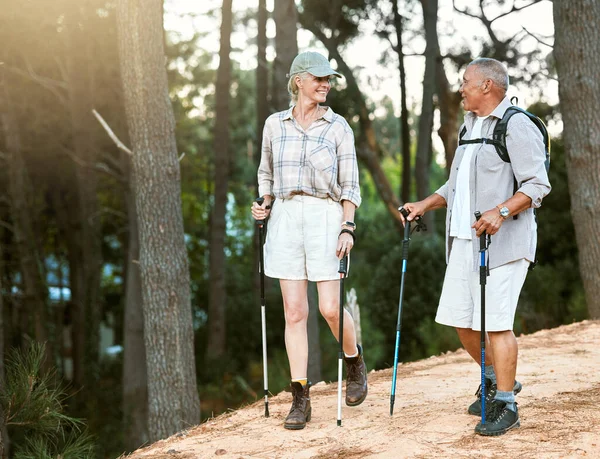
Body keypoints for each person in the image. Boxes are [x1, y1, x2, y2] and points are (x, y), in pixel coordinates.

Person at [401, 58, 551, 436]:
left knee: (497, 324)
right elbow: (456, 187)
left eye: (466, 82)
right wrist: (424, 204)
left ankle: (506, 404)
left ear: (487, 86)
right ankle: (493, 376)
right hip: (465, 244)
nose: (461, 88)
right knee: (463, 323)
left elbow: (537, 184)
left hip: (505, 245)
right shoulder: (469, 128)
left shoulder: (516, 125)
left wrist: (501, 211)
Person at [251, 51, 367, 430]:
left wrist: (347, 226)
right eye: (318, 78)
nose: (325, 84)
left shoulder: (338, 127)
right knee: (295, 312)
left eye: (328, 79)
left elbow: (350, 184)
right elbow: (265, 173)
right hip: (285, 215)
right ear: (298, 80)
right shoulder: (274, 125)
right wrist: (264, 203)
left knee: (330, 308)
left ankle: (354, 361)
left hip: (325, 215)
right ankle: (300, 397)